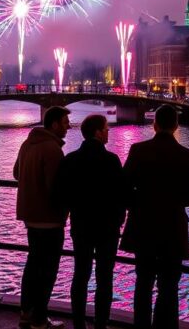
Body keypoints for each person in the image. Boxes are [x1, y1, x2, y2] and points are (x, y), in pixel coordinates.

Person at [120, 105, 189, 329]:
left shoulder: (138, 150)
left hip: (144, 226)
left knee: (144, 283)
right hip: (173, 228)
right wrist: (176, 202)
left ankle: (142, 326)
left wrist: (137, 205)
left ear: (154, 124)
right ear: (176, 125)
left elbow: (123, 187)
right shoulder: (188, 156)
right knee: (169, 286)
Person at [54, 114, 127, 329]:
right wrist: (119, 217)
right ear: (97, 132)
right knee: (105, 276)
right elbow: (122, 193)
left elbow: (61, 193)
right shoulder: (112, 160)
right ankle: (101, 322)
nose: (108, 132)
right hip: (108, 227)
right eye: (105, 129)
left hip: (82, 224)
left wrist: (73, 210)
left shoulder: (71, 159)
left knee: (81, 274)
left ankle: (78, 321)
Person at [14, 106, 71, 329]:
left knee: (32, 265)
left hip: (30, 215)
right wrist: (65, 210)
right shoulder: (52, 150)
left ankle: (26, 312)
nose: (68, 126)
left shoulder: (27, 143)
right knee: (48, 270)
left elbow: (16, 173)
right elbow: (55, 188)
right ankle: (40, 318)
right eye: (65, 122)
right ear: (54, 124)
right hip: (49, 218)